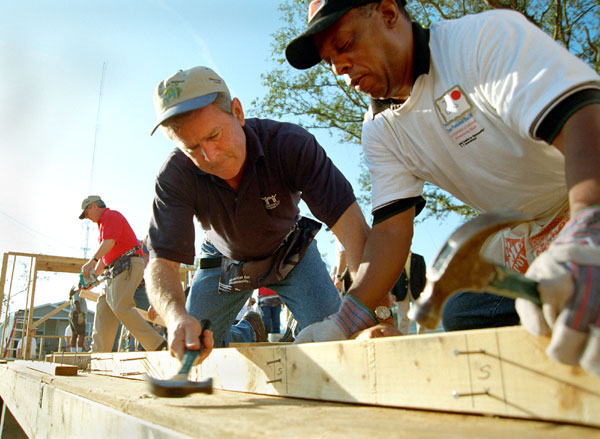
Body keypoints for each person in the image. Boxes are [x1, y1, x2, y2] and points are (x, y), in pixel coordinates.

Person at [285, 0, 600, 375]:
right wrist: (346, 318)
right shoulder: (380, 130)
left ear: (388, 13)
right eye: (329, 60)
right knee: (463, 312)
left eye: (345, 43)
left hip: (586, 201)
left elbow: (582, 117)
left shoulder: (481, 39)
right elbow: (391, 230)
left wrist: (587, 232)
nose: (339, 67)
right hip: (527, 232)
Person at [145, 66, 372, 363]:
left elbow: (351, 227)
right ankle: (248, 331)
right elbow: (161, 263)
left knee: (343, 342)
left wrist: (371, 310)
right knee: (195, 346)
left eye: (215, 135)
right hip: (224, 260)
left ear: (237, 112)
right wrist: (175, 316)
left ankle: (301, 328)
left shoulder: (289, 145)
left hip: (291, 253)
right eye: (192, 148)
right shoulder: (174, 176)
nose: (210, 156)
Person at [79, 195, 167, 352]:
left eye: (86, 213)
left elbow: (109, 243)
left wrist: (91, 262)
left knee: (121, 306)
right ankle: (99, 353)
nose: (87, 218)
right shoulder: (102, 225)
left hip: (128, 264)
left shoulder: (111, 215)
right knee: (104, 305)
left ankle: (157, 344)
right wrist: (93, 279)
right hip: (116, 269)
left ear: (94, 206)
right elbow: (106, 258)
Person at [390, 251, 426, 335]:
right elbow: (393, 276)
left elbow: (423, 276)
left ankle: (422, 335)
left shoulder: (419, 258)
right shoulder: (396, 260)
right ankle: (403, 336)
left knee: (420, 314)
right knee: (402, 315)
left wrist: (424, 290)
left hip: (417, 290)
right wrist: (392, 293)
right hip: (401, 290)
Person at [68, 287, 88, 352]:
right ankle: (79, 352)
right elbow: (77, 303)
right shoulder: (78, 292)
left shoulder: (74, 294)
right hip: (77, 314)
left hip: (73, 315)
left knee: (74, 334)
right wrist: (80, 315)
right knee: (82, 334)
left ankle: (73, 352)